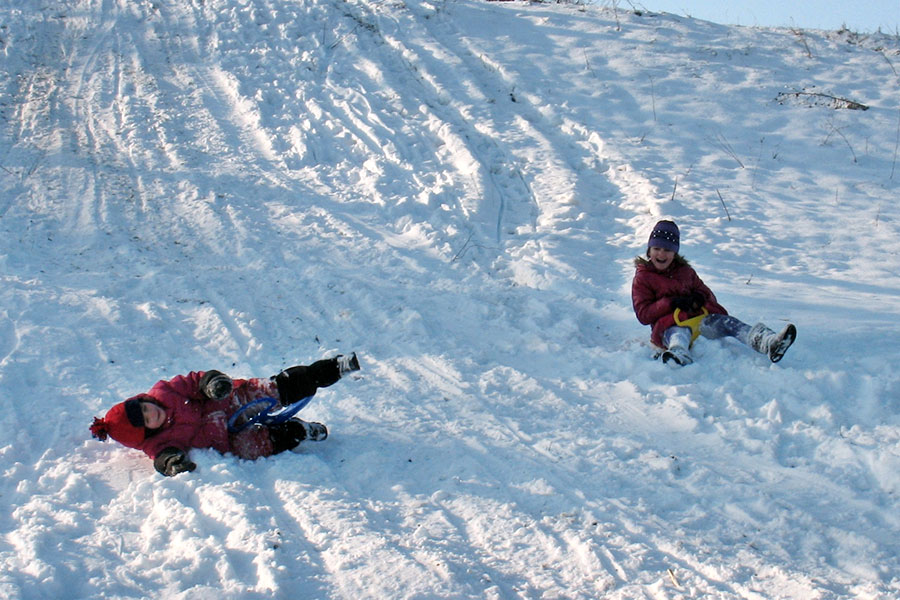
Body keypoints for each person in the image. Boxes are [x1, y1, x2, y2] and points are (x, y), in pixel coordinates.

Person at [90, 353, 361, 476]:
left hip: (229, 402)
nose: (154, 414)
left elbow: (196, 379)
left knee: (272, 390)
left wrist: (212, 384)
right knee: (254, 446)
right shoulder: (156, 442)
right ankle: (299, 431)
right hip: (226, 439)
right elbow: (161, 456)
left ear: (145, 400)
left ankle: (330, 369)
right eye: (149, 421)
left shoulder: (165, 392)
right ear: (148, 433)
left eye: (147, 409)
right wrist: (171, 462)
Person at [632, 220, 796, 366]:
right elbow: (644, 314)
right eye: (656, 248)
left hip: (700, 319)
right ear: (649, 251)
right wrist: (671, 303)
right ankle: (678, 354)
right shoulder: (644, 278)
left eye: (667, 250)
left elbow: (706, 293)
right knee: (678, 335)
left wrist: (699, 298)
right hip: (670, 325)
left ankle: (768, 342)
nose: (661, 254)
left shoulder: (686, 272)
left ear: (675, 253)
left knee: (729, 323)